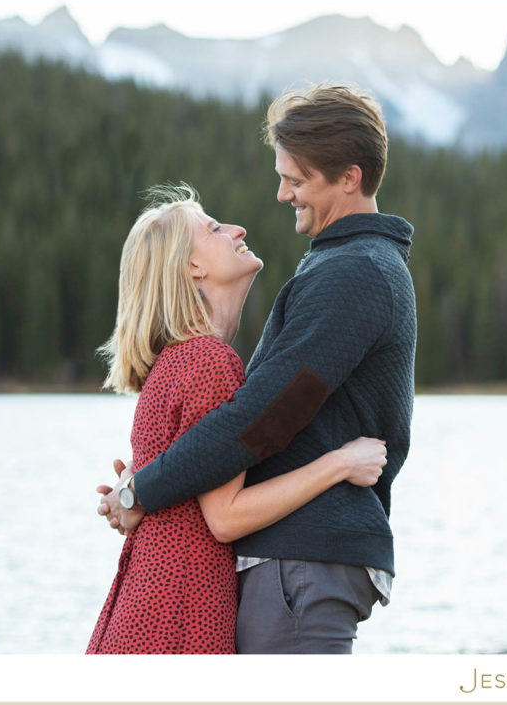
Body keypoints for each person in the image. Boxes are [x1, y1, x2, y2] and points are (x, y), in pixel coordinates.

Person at [97, 84, 417, 654]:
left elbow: (265, 417)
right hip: (289, 562)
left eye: (295, 178)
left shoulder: (356, 273)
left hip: (302, 561)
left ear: (348, 176)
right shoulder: (341, 265)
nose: (280, 193)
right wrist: (141, 484)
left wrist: (141, 489)